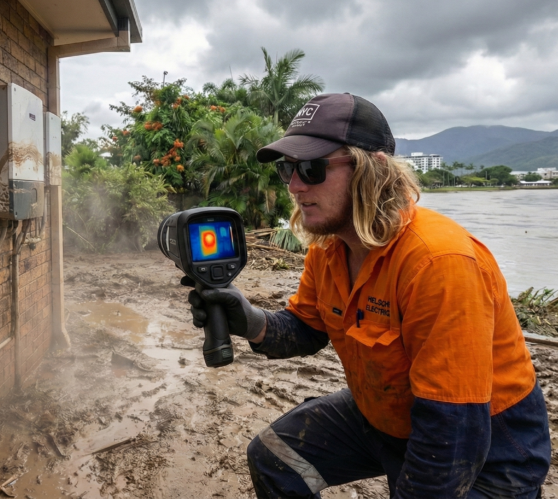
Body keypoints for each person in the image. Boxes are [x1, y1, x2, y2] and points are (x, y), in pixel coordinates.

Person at [185, 93, 550, 498]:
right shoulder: (329, 248)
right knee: (275, 456)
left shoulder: (439, 263)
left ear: (372, 170)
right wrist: (249, 320)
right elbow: (306, 330)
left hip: (486, 446)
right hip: (388, 413)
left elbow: (452, 436)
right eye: (288, 169)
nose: (294, 185)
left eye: (311, 168)